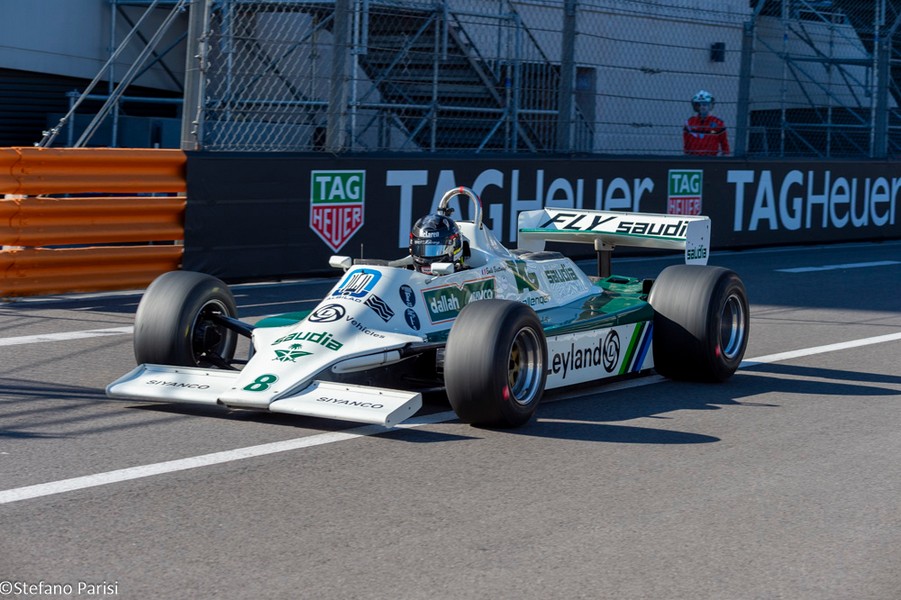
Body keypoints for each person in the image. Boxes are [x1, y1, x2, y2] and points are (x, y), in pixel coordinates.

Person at [683, 90, 730, 156]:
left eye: (705, 104)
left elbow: (724, 143)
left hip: (711, 158)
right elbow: (686, 143)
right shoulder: (689, 123)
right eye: (699, 104)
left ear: (710, 105)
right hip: (693, 158)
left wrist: (725, 156)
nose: (702, 107)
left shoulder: (718, 123)